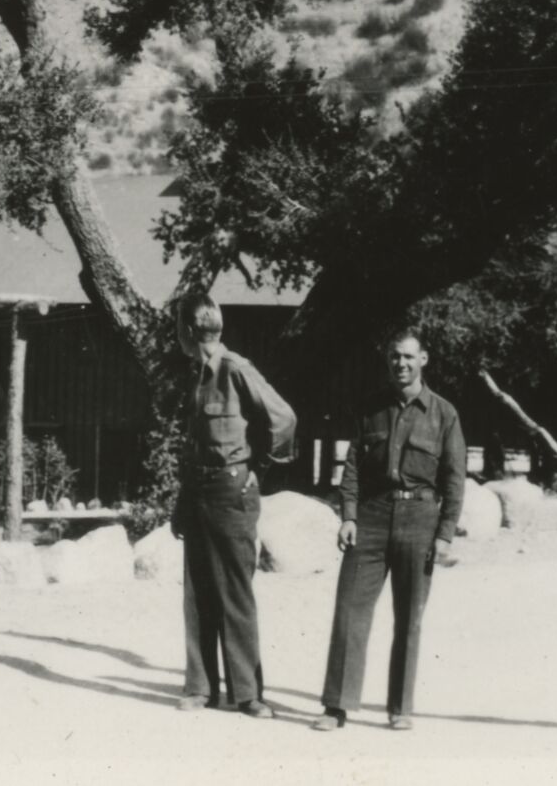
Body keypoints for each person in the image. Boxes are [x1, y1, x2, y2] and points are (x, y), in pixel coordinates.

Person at [312, 329, 466, 733]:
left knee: (408, 616)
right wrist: (348, 515)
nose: (401, 364)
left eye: (409, 357)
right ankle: (336, 706)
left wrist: (445, 534)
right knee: (350, 610)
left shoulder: (444, 414)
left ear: (424, 360)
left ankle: (400, 707)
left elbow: (453, 478)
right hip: (373, 515)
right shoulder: (370, 409)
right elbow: (353, 468)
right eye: (395, 357)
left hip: (420, 519)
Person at [171, 294, 297, 719]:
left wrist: (261, 469)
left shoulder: (235, 369)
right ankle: (200, 688)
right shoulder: (194, 375)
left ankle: (248, 694)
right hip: (200, 491)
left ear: (188, 332)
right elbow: (192, 446)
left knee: (236, 592)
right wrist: (180, 503)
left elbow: (283, 419)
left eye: (178, 330)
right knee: (198, 592)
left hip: (232, 491)